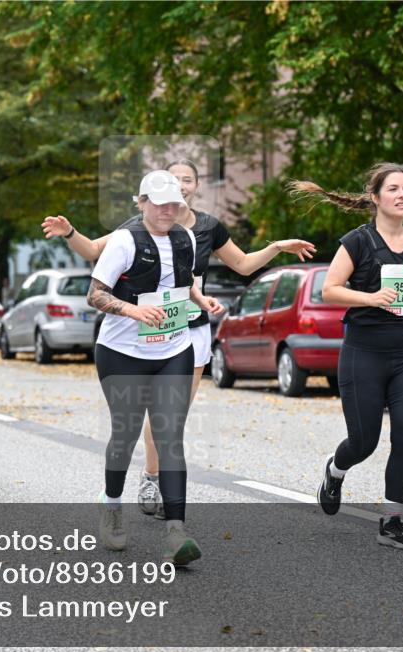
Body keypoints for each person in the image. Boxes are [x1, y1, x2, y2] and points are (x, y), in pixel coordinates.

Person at [43, 159, 315, 518]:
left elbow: (243, 265)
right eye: (174, 179)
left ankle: (165, 497)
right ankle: (149, 479)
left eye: (187, 180)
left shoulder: (206, 228)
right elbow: (94, 251)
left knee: (172, 418)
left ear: (196, 187)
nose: (181, 186)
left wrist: (276, 247)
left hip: (187, 331)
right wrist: (69, 233)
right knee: (145, 419)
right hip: (135, 334)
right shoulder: (136, 229)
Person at [290, 163, 403, 550]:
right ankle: (335, 471)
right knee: (364, 442)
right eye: (394, 189)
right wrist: (369, 298)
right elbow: (330, 290)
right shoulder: (358, 241)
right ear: (375, 197)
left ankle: (392, 521)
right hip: (364, 352)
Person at [86, 169, 225, 566]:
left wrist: (200, 300)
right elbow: (95, 294)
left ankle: (176, 532)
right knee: (126, 432)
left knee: (169, 435)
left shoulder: (185, 238)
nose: (168, 211)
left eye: (174, 204)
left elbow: (184, 281)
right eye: (160, 204)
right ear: (142, 202)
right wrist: (133, 310)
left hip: (173, 347)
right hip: (122, 351)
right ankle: (112, 505)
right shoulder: (125, 240)